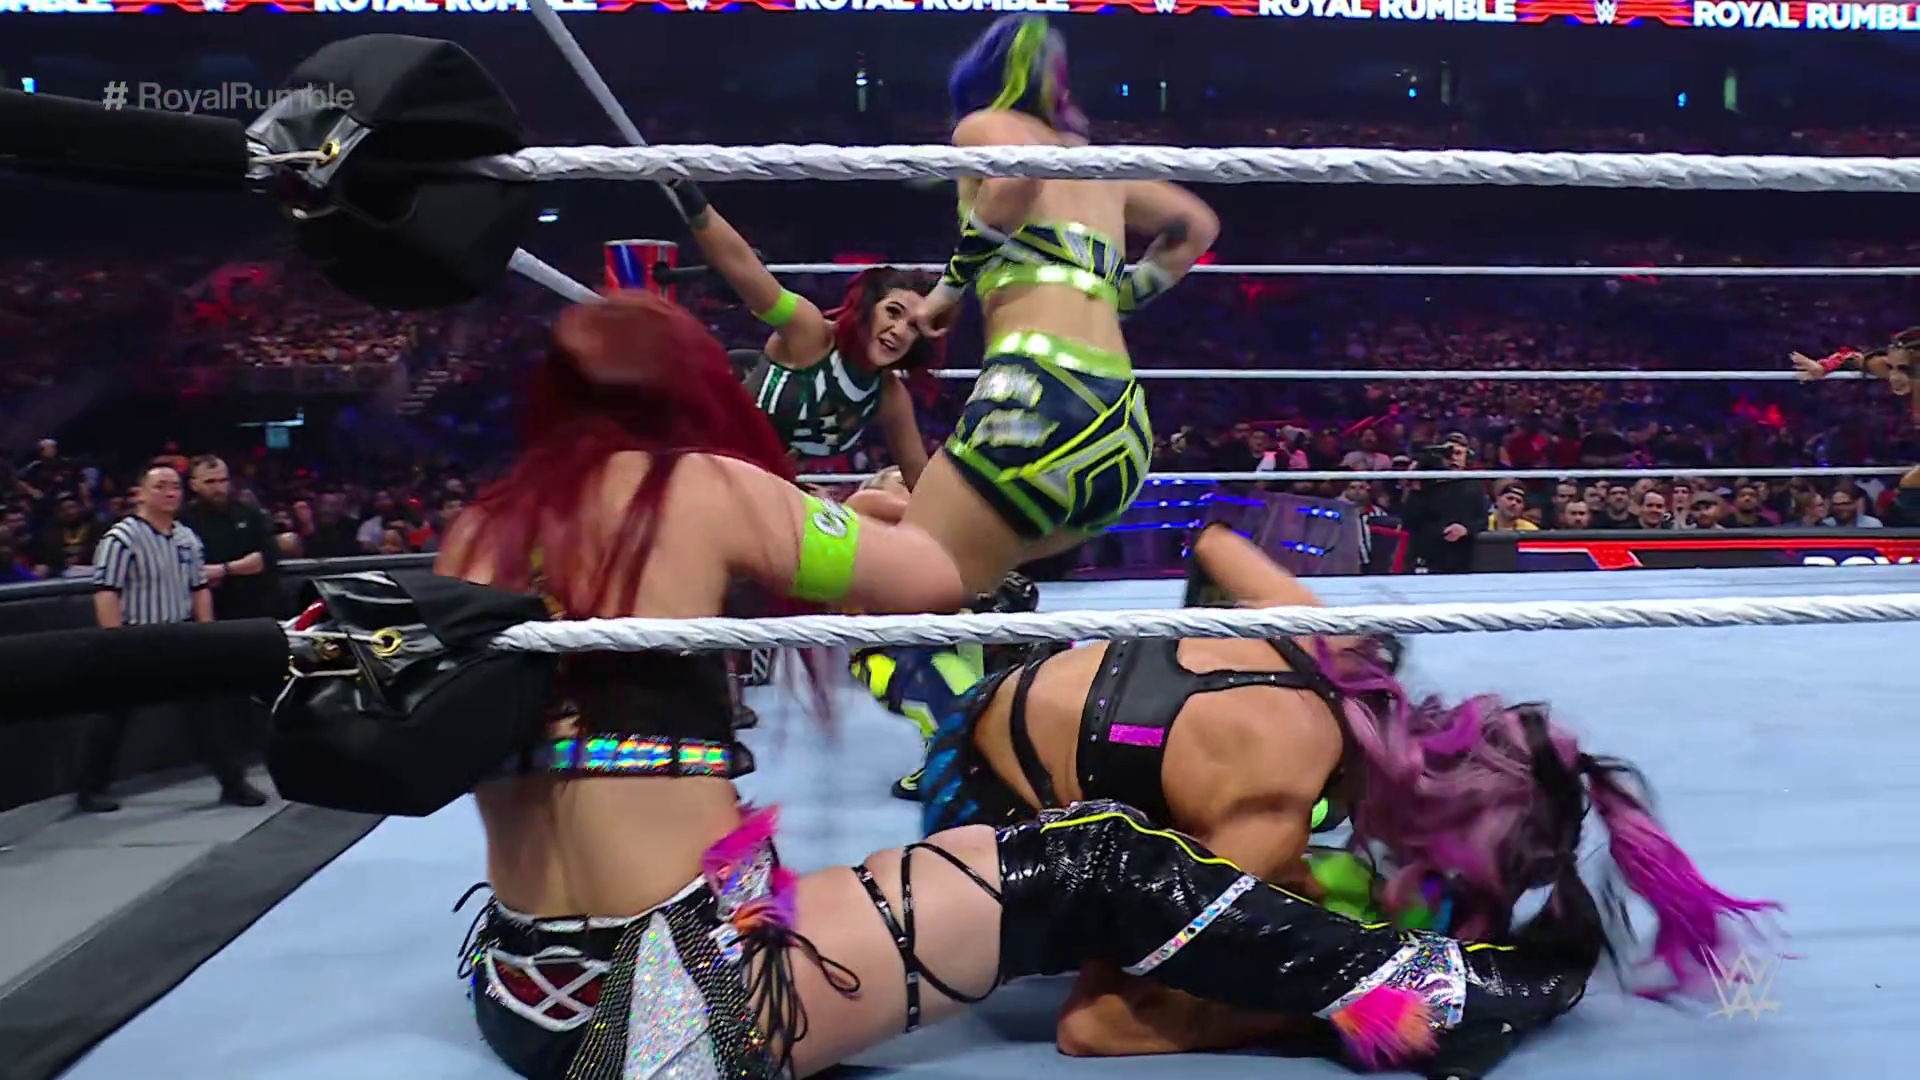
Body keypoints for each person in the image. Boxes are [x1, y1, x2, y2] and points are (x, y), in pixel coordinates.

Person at [444, 292, 1604, 1080]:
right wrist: (873, 512)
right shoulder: (699, 487)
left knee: (979, 855)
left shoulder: (479, 529)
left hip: (520, 989)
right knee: (1099, 862)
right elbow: (933, 579)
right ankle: (1425, 1001)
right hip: (669, 1012)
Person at [920, 522, 1777, 1059]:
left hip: (1016, 698)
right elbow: (1094, 1026)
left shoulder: (1341, 648)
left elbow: (1214, 542)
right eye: (1451, 881)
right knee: (1268, 915)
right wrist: (1328, 1010)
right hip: (977, 805)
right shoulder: (1269, 808)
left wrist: (1173, 683)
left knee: (1289, 888)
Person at [897, 14, 1220, 595]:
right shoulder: (1098, 165)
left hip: (1036, 402)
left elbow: (1017, 179)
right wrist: (1119, 297)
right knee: (963, 585)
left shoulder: (983, 124)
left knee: (900, 604)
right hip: (1121, 425)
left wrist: (946, 291)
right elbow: (1197, 225)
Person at [642, 179, 939, 483]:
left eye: (914, 326)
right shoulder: (809, 331)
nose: (899, 331)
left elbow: (917, 473)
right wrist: (687, 194)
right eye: (893, 312)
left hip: (765, 486)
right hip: (703, 467)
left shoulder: (888, 395)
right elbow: (742, 267)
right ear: (867, 307)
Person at [82, 465, 262, 812]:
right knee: (113, 715)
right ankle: (91, 788)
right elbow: (106, 592)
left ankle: (233, 783)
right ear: (141, 493)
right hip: (135, 635)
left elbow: (199, 587)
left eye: (175, 486)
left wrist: (206, 631)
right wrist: (114, 640)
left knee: (208, 712)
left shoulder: (186, 537)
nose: (169, 492)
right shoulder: (121, 538)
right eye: (160, 486)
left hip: (180, 635)